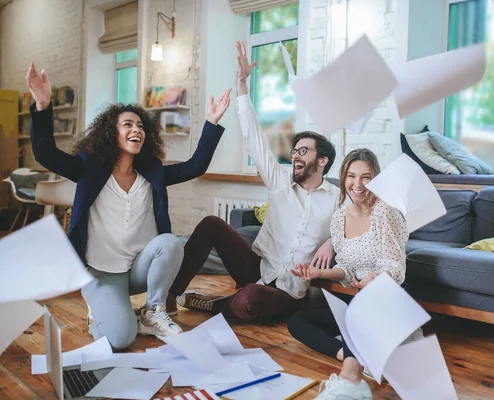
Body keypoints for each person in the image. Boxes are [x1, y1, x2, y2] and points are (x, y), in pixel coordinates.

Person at [26, 62, 231, 349]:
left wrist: (212, 122)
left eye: (140, 125)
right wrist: (43, 103)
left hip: (138, 270)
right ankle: (103, 310)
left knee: (170, 243)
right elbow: (46, 153)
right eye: (128, 124)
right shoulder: (89, 168)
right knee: (120, 339)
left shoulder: (153, 172)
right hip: (101, 273)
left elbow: (195, 166)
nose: (137, 129)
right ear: (112, 133)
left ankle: (152, 312)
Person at [167, 41, 340, 322]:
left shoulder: (336, 197)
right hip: (259, 268)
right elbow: (254, 140)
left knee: (250, 300)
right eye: (295, 150)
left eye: (304, 151)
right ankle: (170, 295)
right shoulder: (280, 180)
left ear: (323, 161)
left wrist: (333, 240)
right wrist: (242, 86)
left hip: (290, 290)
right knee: (211, 224)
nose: (296, 155)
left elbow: (358, 226)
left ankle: (219, 304)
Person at [288, 148, 421, 399]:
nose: (357, 184)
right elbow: (347, 271)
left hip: (390, 297)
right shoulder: (339, 219)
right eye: (351, 176)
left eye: (366, 177)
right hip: (360, 299)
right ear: (342, 177)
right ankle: (359, 356)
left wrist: (377, 279)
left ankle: (351, 379)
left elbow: (396, 267)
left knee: (362, 307)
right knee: (298, 322)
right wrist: (319, 272)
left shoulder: (386, 212)